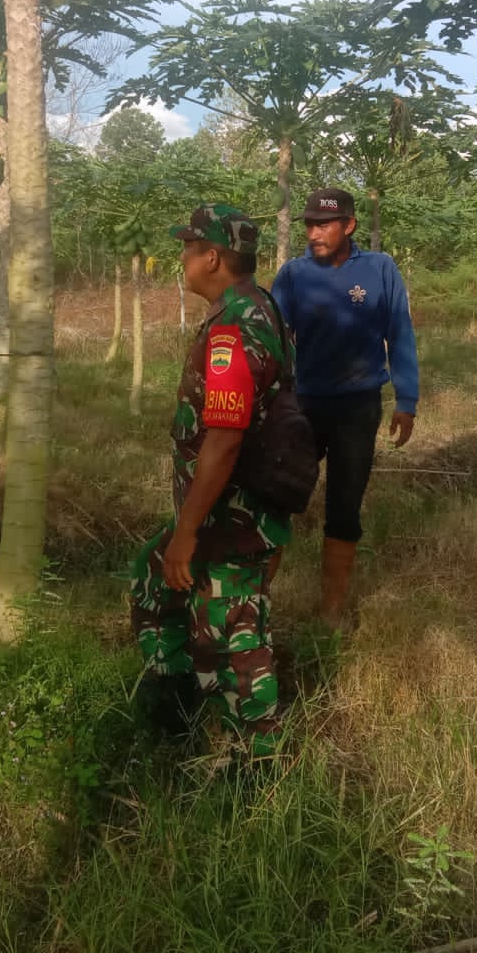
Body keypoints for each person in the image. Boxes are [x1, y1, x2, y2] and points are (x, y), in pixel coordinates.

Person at [130, 203, 292, 758]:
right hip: (224, 511)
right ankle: (177, 696)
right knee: (154, 577)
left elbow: (223, 442)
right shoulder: (255, 308)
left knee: (233, 637)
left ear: (213, 257)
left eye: (188, 249)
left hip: (232, 520)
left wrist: (187, 533)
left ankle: (256, 761)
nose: (182, 260)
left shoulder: (233, 330)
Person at [269, 187, 419, 627]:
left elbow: (400, 333)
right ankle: (255, 601)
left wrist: (406, 399)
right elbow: (275, 340)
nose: (314, 233)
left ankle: (331, 612)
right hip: (303, 405)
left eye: (324, 225)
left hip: (358, 407)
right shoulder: (293, 275)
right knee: (276, 495)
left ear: (349, 225)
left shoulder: (380, 269)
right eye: (309, 225)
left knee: (344, 506)